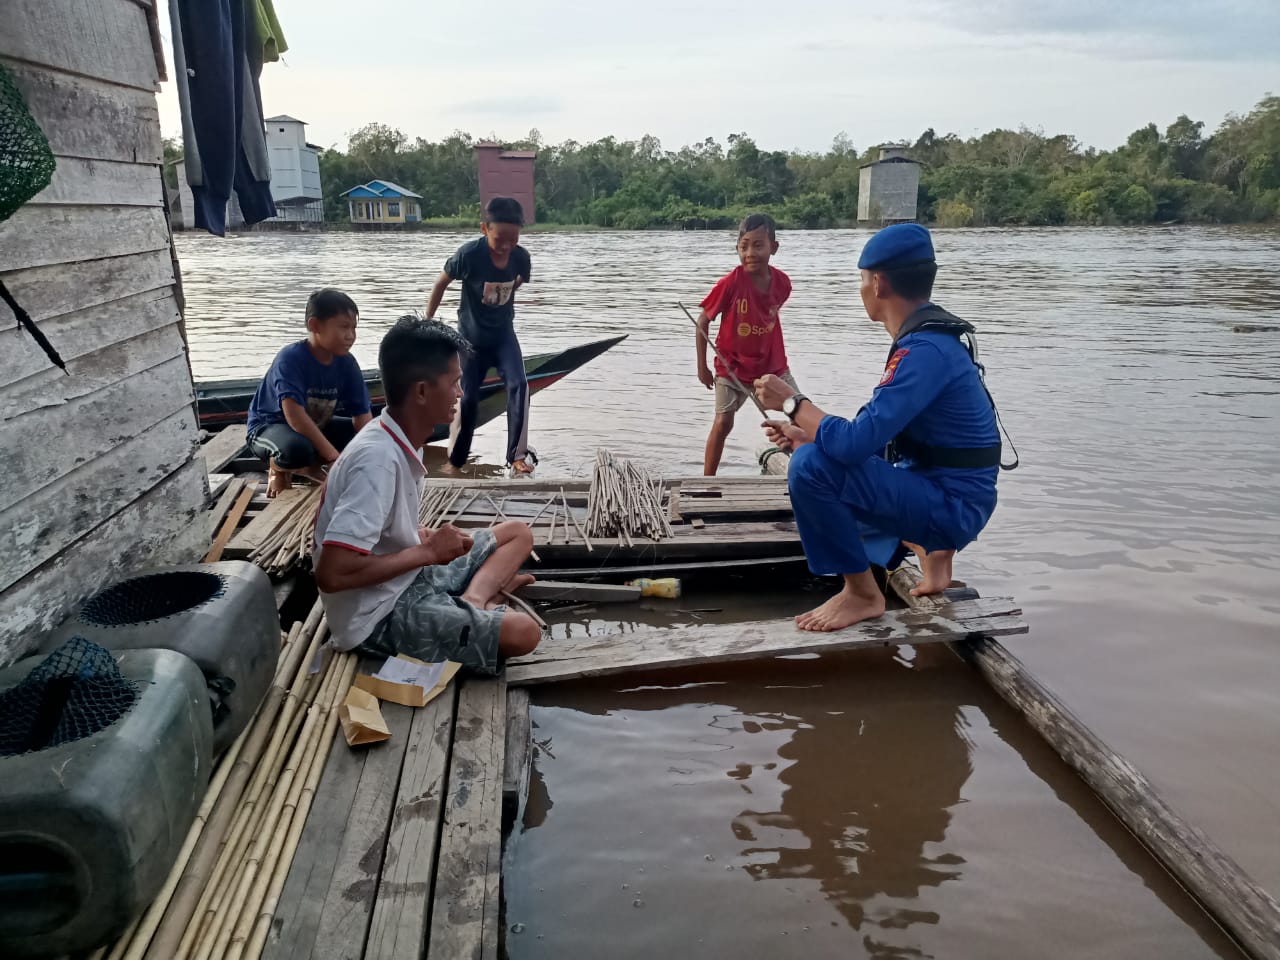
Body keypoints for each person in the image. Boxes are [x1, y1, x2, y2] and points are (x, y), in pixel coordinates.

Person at [755, 223, 1004, 632]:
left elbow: (854, 444)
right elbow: (884, 437)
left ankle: (862, 594)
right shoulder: (931, 342)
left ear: (879, 283)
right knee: (812, 451)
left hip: (954, 505)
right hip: (953, 492)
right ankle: (935, 556)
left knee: (812, 468)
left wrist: (791, 402)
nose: (861, 289)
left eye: (862, 280)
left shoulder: (923, 352)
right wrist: (805, 433)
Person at [312, 315, 543, 672]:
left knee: (518, 533)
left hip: (406, 577)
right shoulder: (377, 460)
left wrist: (419, 537)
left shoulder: (398, 436)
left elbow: (381, 530)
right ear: (421, 391)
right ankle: (479, 603)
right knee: (525, 633)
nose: (461, 393)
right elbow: (332, 574)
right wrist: (426, 552)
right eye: (455, 383)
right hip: (377, 615)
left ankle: (473, 600)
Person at [425, 196, 535, 477]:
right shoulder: (469, 255)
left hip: (503, 337)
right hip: (470, 341)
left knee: (519, 386)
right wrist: (427, 322)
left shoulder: (521, 258)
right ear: (485, 229)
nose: (507, 246)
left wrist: (504, 297)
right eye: (500, 240)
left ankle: (517, 457)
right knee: (468, 400)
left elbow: (518, 280)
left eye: (514, 239)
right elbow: (440, 283)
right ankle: (457, 461)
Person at [695, 213, 800, 476]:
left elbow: (768, 314)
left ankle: (807, 472)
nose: (750, 253)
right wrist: (703, 368)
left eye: (758, 245)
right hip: (731, 367)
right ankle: (707, 482)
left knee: (799, 412)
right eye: (743, 246)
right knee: (723, 421)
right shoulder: (731, 283)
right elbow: (702, 322)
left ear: (773, 248)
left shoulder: (782, 284)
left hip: (771, 366)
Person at [246, 288, 371, 497]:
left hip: (317, 425)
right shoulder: (291, 359)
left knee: (370, 438)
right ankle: (278, 466)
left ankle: (310, 466)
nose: (351, 336)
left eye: (354, 328)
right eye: (344, 327)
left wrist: (375, 453)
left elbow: (362, 417)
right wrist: (334, 459)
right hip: (272, 426)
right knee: (297, 450)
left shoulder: (347, 363)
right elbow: (295, 418)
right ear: (314, 325)